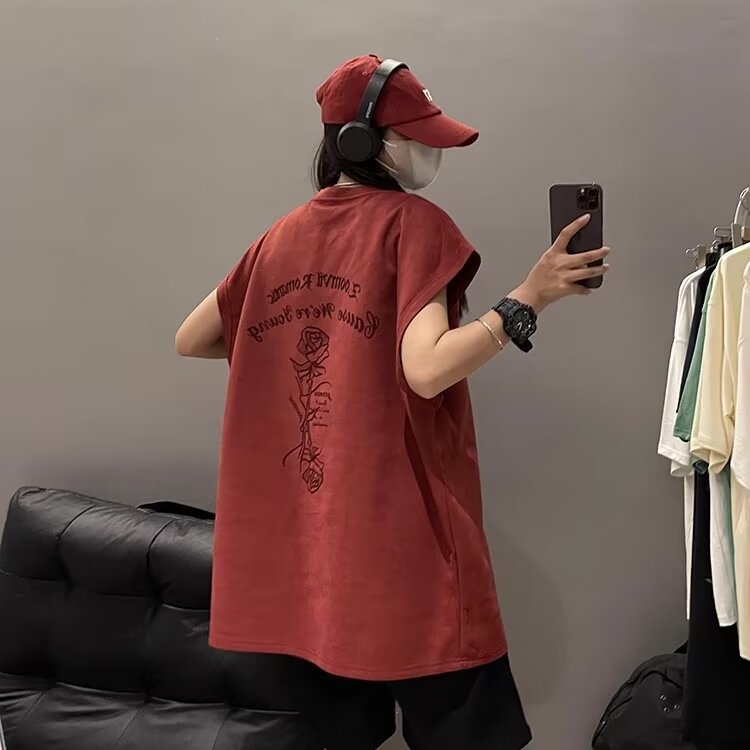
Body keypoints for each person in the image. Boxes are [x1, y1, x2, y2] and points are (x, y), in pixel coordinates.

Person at [176, 54, 609, 750]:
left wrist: (300, 341)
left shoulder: (280, 237)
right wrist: (530, 298)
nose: (432, 153)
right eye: (417, 137)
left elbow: (193, 338)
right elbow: (427, 370)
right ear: (361, 141)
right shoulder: (414, 225)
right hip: (408, 556)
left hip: (311, 567)